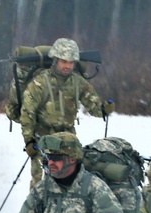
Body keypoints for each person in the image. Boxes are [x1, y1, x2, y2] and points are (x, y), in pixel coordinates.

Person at [19, 38, 115, 186]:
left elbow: (93, 106)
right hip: (43, 137)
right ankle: (37, 208)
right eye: (64, 61)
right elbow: (27, 113)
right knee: (40, 183)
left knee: (71, 180)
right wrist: (29, 141)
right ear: (55, 60)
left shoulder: (77, 82)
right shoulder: (40, 82)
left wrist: (104, 109)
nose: (68, 66)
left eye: (71, 62)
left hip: (68, 139)